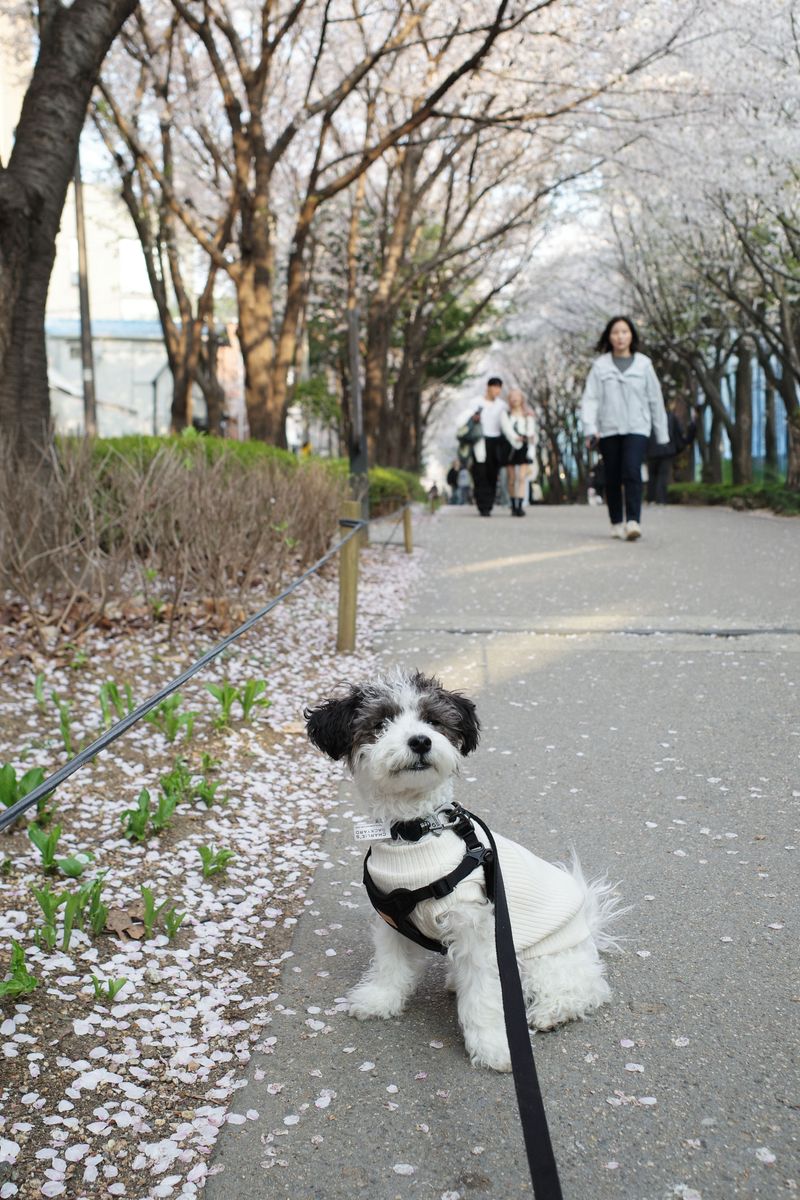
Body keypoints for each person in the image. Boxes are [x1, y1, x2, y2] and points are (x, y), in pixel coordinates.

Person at [580, 316, 669, 541]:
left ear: (632, 335)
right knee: (612, 475)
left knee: (631, 470)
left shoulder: (643, 364)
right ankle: (616, 521)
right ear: (609, 337)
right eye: (615, 332)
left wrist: (662, 433)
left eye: (625, 332)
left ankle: (633, 521)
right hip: (608, 428)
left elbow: (655, 399)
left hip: (637, 426)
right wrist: (590, 427)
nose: (620, 337)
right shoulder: (600, 366)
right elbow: (590, 399)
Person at [455, 377, 509, 516]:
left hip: (496, 441)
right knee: (480, 473)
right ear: (488, 387)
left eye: (499, 388)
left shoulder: (502, 405)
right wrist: (473, 418)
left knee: (492, 474)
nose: (497, 390)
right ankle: (482, 505)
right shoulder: (476, 402)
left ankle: (489, 504)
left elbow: (508, 422)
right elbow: (465, 419)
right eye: (494, 387)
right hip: (480, 440)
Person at [646, 401, 698, 505]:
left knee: (652, 475)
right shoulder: (670, 417)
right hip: (666, 450)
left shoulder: (649, 417)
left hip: (651, 450)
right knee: (662, 475)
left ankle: (651, 499)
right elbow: (678, 435)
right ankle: (661, 499)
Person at [501, 389, 537, 516]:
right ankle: (513, 504)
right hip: (510, 447)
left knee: (522, 478)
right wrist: (516, 438)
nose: (514, 398)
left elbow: (531, 433)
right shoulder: (505, 414)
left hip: (524, 447)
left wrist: (530, 446)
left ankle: (520, 505)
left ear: (522, 398)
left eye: (517, 396)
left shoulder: (528, 415)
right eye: (512, 396)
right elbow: (506, 429)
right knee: (511, 479)